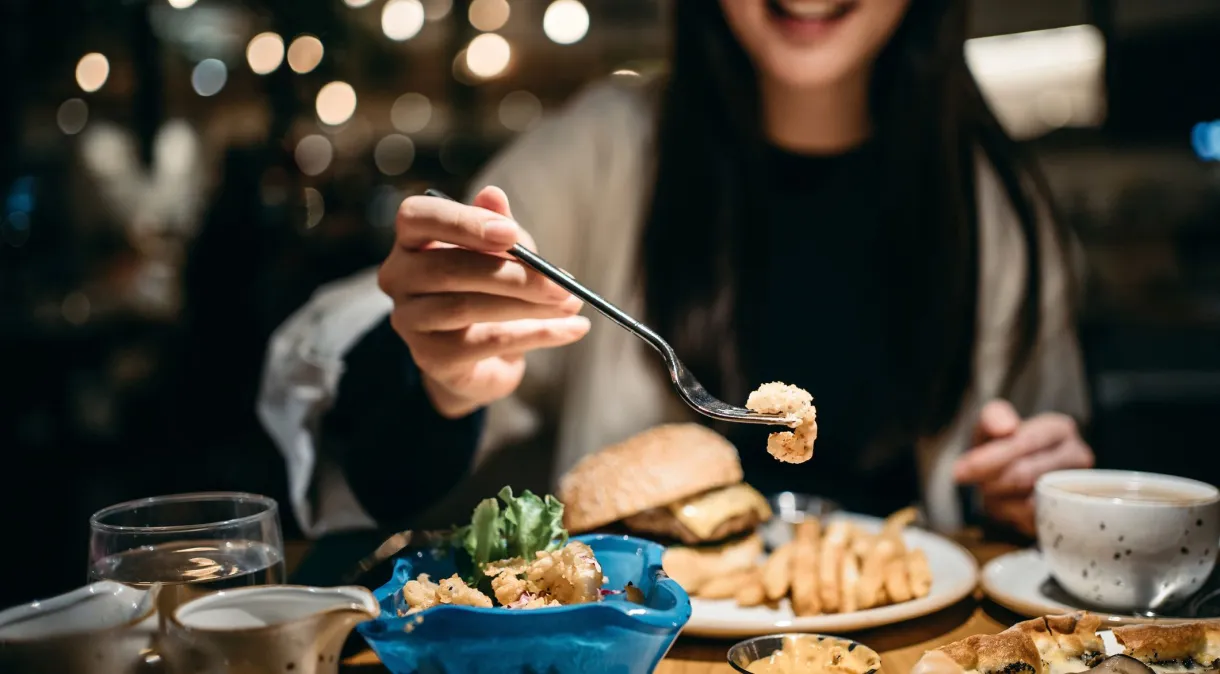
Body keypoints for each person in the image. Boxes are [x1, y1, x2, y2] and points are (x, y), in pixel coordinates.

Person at [258, 0, 1094, 541]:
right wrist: (440, 383)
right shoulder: (608, 147)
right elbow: (379, 459)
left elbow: (1034, 477)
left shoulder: (994, 202)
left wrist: (1030, 490)